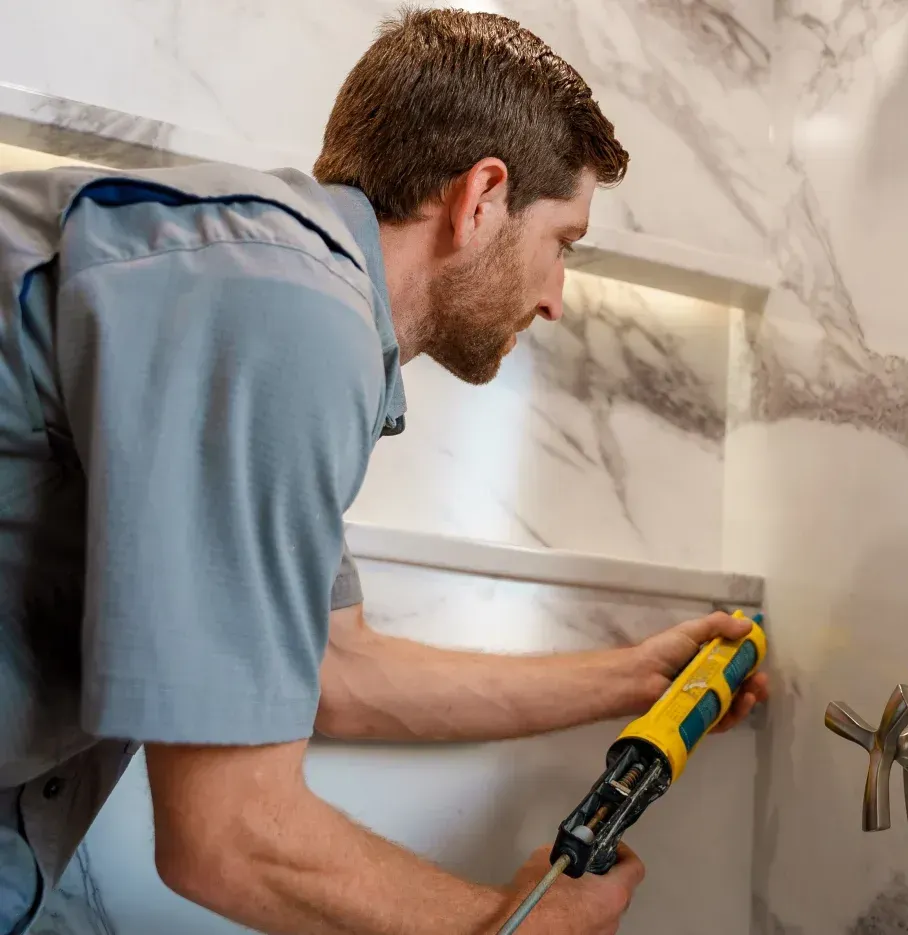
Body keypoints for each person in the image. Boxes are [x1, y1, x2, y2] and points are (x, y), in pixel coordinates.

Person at [0, 8, 769, 935]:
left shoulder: (292, 303)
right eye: (562, 241)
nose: (557, 297)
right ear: (482, 196)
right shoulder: (284, 310)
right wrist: (523, 923)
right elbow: (228, 836)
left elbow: (340, 668)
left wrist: (634, 678)